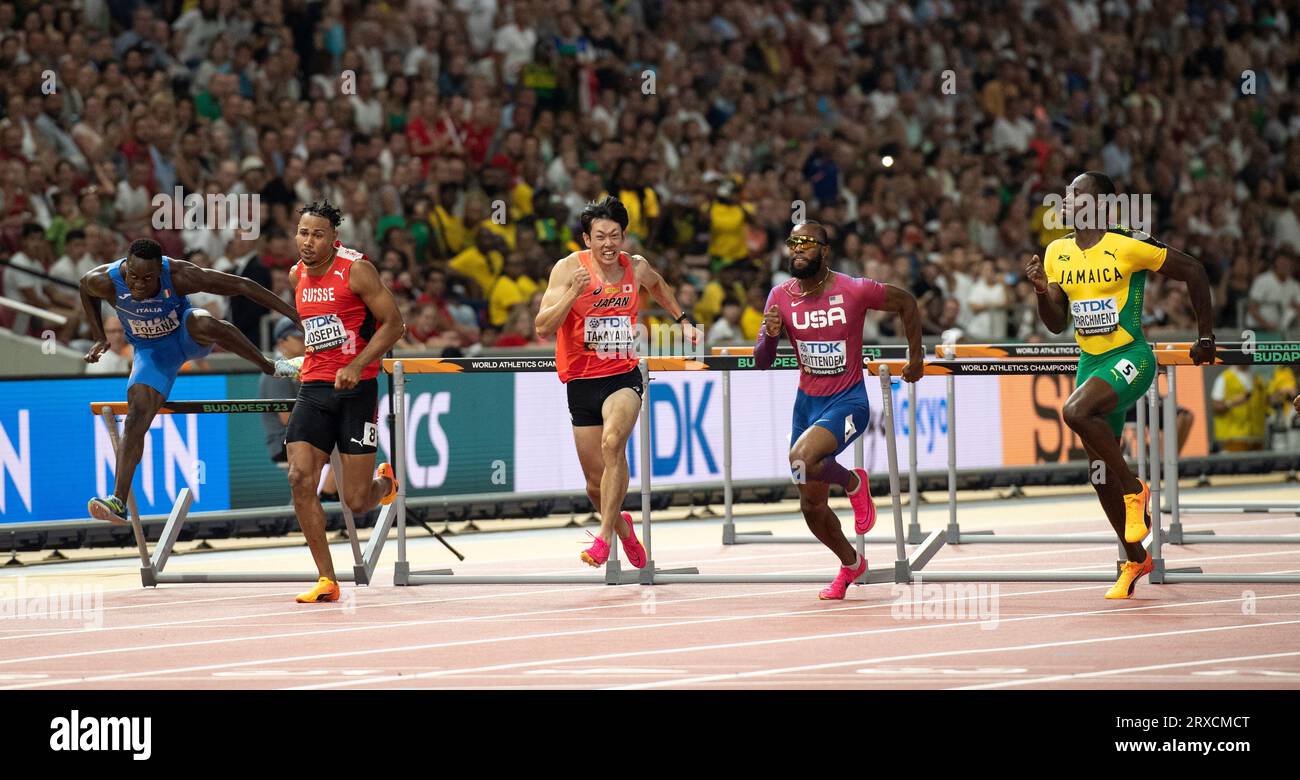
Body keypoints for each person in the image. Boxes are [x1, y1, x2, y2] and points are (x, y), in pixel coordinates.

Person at [1025, 171, 1216, 600]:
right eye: (1067, 194)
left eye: (1076, 194)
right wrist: (1041, 291)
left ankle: (1136, 489)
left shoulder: (1129, 244)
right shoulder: (1057, 252)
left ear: (1101, 205)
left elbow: (1195, 271)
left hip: (1131, 356)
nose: (1066, 200)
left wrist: (1205, 337)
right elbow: (1057, 324)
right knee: (1097, 474)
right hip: (1090, 362)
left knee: (1075, 411)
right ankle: (1136, 558)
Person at [80, 238, 303, 524]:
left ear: (160, 272)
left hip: (187, 338)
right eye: (133, 277)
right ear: (125, 268)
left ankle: (270, 366)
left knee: (203, 320)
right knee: (136, 417)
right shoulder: (105, 280)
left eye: (148, 279)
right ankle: (118, 502)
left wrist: (293, 314)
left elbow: (243, 285)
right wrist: (99, 335)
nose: (138, 285)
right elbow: (85, 290)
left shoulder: (180, 274)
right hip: (153, 354)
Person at [756, 221, 924, 600]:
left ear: (825, 251)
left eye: (807, 243)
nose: (798, 249)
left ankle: (852, 482)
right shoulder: (779, 296)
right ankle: (851, 565)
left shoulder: (854, 289)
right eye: (792, 243)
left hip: (848, 400)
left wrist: (917, 358)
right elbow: (763, 362)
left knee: (802, 456)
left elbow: (907, 303)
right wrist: (769, 333)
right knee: (811, 506)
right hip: (806, 405)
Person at [534, 196, 702, 569]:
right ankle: (623, 527)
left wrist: (684, 320)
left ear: (624, 237)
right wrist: (574, 294)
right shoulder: (567, 270)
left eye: (615, 235)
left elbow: (658, 286)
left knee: (614, 444)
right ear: (586, 238)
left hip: (622, 375)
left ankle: (604, 537)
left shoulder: (635, 267)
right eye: (600, 236)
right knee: (595, 484)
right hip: (580, 381)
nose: (608, 244)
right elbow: (543, 327)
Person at [284, 201, 407, 604]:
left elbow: (395, 324)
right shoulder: (296, 274)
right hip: (314, 388)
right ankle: (326, 578)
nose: (308, 241)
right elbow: (319, 327)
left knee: (354, 501)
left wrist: (357, 364)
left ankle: (385, 483)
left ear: (333, 239)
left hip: (357, 391)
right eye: (303, 232)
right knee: (300, 479)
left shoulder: (356, 270)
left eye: (317, 235)